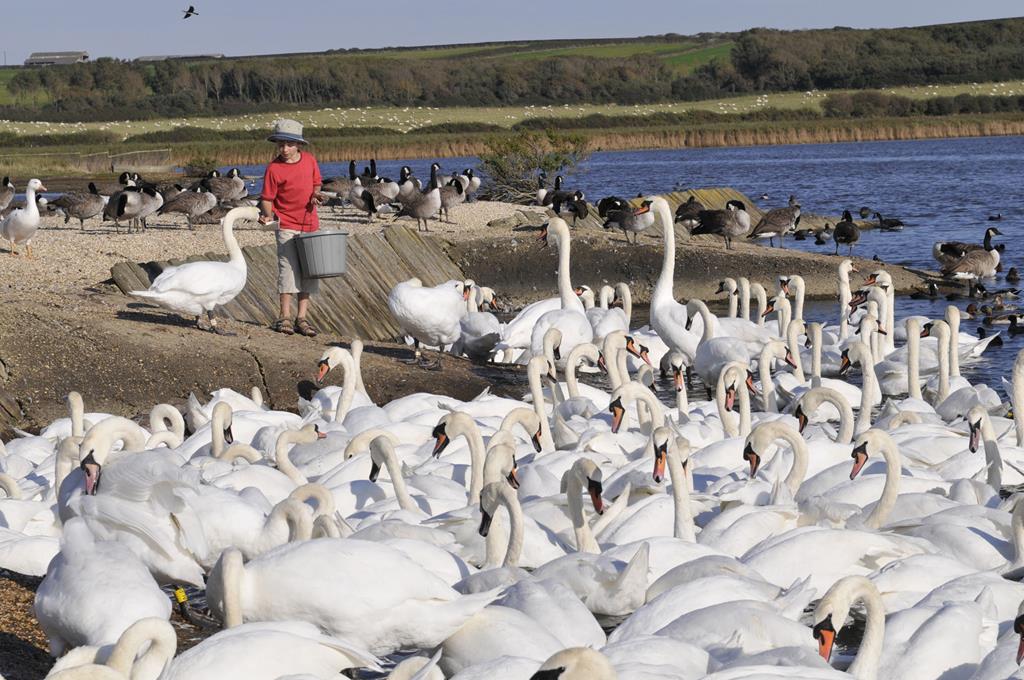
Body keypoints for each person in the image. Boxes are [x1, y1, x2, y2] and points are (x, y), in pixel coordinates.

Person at [258, 119, 327, 336]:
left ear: (298, 145)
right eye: (280, 145)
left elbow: (317, 184)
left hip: (309, 224)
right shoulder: (273, 168)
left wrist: (316, 195)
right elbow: (267, 199)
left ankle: (302, 318)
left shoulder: (310, 161)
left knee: (308, 270)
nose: (284, 149)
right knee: (287, 270)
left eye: (289, 144)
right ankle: (284, 316)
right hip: (286, 224)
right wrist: (268, 216)